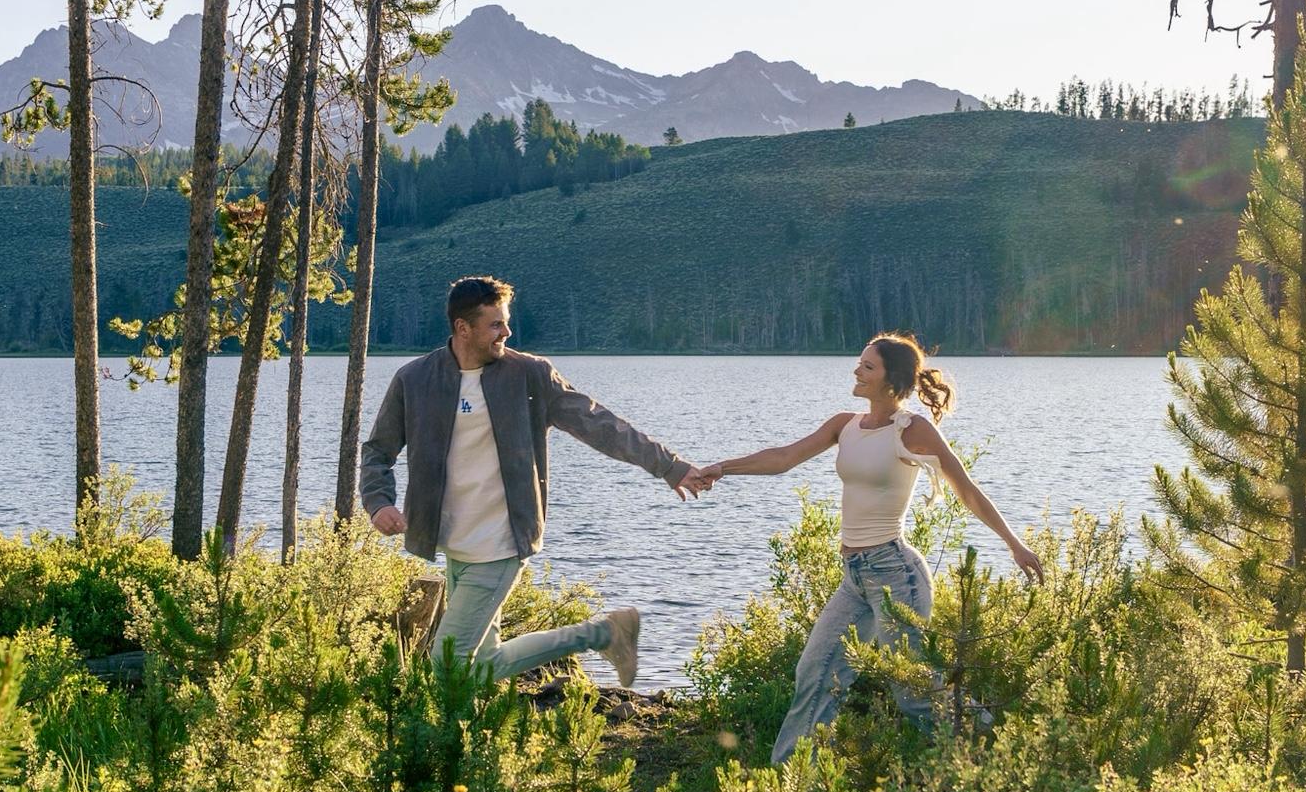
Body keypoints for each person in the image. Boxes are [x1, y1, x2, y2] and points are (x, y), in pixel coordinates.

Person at [700, 332, 1043, 763]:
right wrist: (721, 469)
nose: (856, 371)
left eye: (867, 367)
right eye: (859, 363)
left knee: (913, 692)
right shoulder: (844, 425)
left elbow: (967, 489)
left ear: (891, 381)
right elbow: (783, 458)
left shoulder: (912, 430)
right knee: (814, 673)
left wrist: (1014, 545)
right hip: (855, 579)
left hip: (896, 575)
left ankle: (1001, 749)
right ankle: (786, 785)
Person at [361, 275, 712, 688]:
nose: (506, 332)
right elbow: (378, 451)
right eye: (495, 324)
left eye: (506, 323)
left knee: (447, 664)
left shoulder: (529, 375)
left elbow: (600, 425)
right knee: (477, 664)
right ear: (462, 328)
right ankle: (605, 634)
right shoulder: (415, 379)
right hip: (454, 542)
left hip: (502, 540)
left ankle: (600, 636)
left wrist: (668, 466)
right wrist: (379, 502)